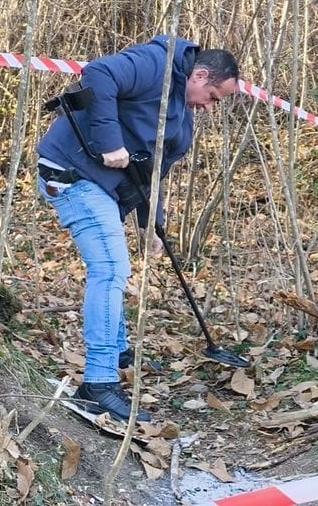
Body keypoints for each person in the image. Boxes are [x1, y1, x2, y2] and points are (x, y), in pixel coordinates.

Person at [36, 36, 239, 422]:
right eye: (213, 96)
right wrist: (111, 142)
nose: (211, 107)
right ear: (199, 75)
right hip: (72, 173)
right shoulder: (157, 65)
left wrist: (152, 223)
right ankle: (97, 384)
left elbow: (154, 169)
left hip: (104, 187)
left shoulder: (181, 112)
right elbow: (98, 74)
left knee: (115, 267)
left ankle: (116, 352)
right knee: (111, 271)